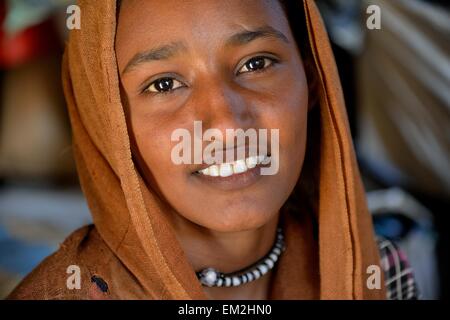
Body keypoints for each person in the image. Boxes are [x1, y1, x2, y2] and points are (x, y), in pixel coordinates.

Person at [7, 0, 417, 300]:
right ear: (107, 124)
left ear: (312, 80)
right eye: (164, 84)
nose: (224, 125)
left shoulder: (376, 270)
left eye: (256, 63)